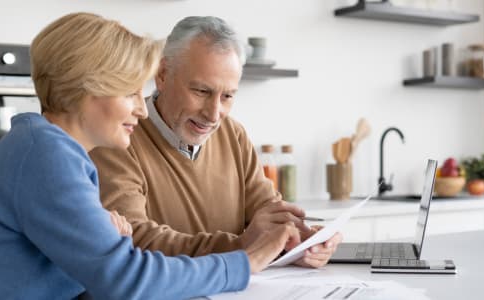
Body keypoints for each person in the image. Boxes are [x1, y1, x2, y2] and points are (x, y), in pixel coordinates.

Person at [0, 12, 300, 299]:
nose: (141, 108)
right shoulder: (46, 156)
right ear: (88, 89)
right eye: (130, 91)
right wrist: (244, 262)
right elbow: (127, 279)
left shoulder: (46, 148)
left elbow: (99, 270)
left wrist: (110, 243)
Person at [90, 16, 342, 267]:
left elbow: (268, 213)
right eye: (201, 91)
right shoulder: (118, 137)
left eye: (228, 96)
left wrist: (302, 241)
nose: (213, 114)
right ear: (163, 75)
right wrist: (243, 247)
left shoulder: (233, 134)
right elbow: (135, 239)